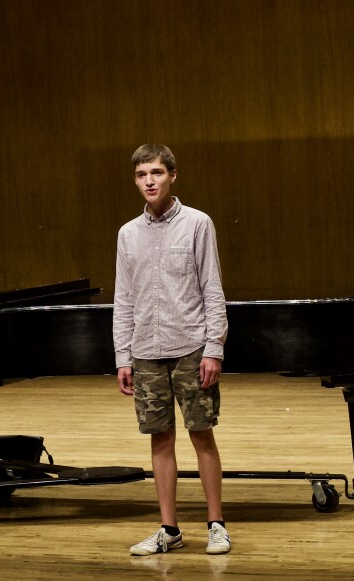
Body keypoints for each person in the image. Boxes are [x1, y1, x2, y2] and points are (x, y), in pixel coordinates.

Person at [113, 144, 231, 555]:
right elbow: (124, 299)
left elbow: (212, 290)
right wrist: (122, 356)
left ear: (173, 176)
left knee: (202, 434)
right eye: (142, 174)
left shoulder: (198, 224)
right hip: (145, 350)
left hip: (190, 348)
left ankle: (216, 524)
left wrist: (213, 348)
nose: (149, 181)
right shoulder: (128, 233)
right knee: (159, 440)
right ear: (135, 179)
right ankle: (169, 530)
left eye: (157, 173)